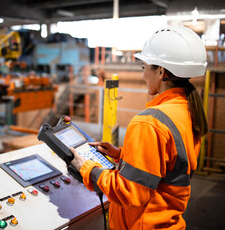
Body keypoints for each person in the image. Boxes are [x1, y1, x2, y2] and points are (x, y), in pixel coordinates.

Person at [70, 26, 208, 229]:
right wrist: (121, 155)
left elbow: (130, 193)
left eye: (144, 68)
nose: (143, 75)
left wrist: (87, 168)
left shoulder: (148, 122)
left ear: (160, 71)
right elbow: (168, 165)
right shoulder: (188, 110)